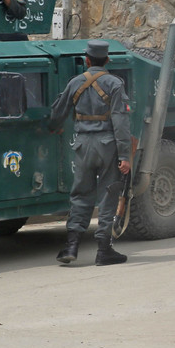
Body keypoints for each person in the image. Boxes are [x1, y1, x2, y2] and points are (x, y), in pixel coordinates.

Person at [47, 40, 133, 266]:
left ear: (86, 60)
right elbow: (121, 121)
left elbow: (58, 111)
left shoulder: (75, 82)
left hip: (82, 145)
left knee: (80, 195)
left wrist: (54, 126)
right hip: (107, 146)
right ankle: (104, 250)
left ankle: (72, 246)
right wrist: (125, 155)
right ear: (107, 60)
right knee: (108, 195)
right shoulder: (114, 83)